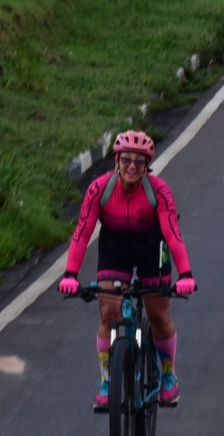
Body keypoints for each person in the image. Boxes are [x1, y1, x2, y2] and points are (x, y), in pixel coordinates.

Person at [59, 131, 197, 410]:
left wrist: (185, 276)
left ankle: (168, 375)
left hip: (152, 246)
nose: (132, 167)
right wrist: (70, 275)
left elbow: (173, 235)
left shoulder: (159, 191)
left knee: (158, 314)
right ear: (116, 162)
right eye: (126, 160)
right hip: (115, 248)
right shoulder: (100, 189)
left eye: (139, 161)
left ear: (147, 166)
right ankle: (108, 381)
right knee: (109, 313)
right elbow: (82, 234)